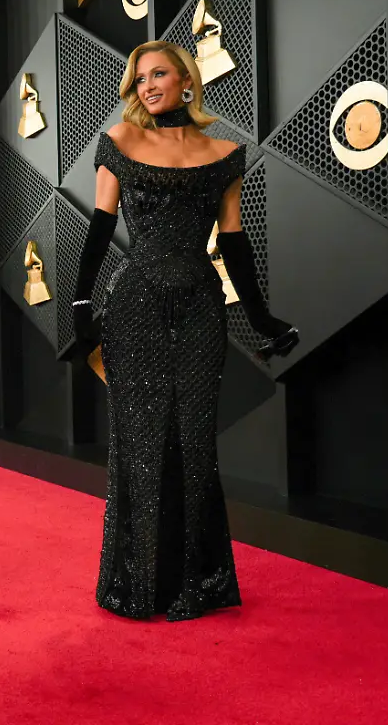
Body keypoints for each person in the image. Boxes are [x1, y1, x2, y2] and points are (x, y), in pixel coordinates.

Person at [74, 41, 298, 622]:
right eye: (138, 78)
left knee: (195, 444)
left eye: (158, 74)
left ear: (186, 81)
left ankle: (195, 582)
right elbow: (100, 228)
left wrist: (260, 316)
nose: (146, 86)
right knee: (141, 445)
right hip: (135, 306)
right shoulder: (118, 142)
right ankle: (137, 582)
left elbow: (233, 241)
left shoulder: (224, 152)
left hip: (202, 305)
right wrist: (80, 302)